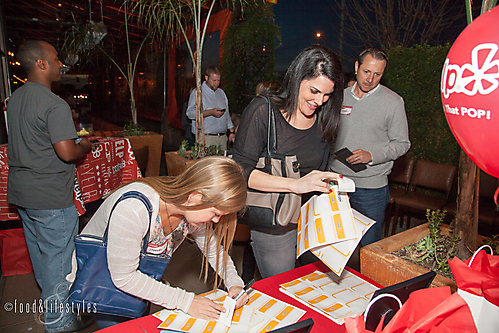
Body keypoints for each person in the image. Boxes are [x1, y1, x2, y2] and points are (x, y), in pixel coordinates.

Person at [77, 157, 249, 328]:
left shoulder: (191, 210)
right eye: (216, 213)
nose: (216, 221)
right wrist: (187, 301)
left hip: (138, 284)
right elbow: (123, 277)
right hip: (102, 285)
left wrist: (234, 282)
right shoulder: (134, 208)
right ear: (196, 196)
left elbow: (213, 250)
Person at [232, 45, 344, 279]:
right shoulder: (264, 111)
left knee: (311, 288)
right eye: (314, 91)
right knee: (283, 289)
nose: (319, 101)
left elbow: (318, 168)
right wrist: (296, 185)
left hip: (312, 221)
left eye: (327, 95)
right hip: (275, 222)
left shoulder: (324, 117)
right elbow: (240, 171)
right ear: (297, 78)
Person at [7, 40, 94, 332]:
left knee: (44, 262)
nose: (61, 65)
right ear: (41, 64)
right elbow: (67, 152)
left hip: (23, 194)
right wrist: (84, 146)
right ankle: (58, 324)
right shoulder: (54, 104)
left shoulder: (15, 99)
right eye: (56, 59)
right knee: (59, 266)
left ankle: (57, 311)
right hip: (51, 198)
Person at [328, 47, 411, 246]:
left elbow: (402, 144)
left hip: (371, 188)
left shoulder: (393, 102)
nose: (370, 79)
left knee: (369, 248)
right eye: (366, 72)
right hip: (336, 184)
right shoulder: (338, 97)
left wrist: (372, 155)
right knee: (333, 246)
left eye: (377, 74)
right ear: (356, 67)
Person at [186, 66, 235, 151]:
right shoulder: (198, 92)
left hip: (222, 138)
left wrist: (231, 131)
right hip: (207, 138)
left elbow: (226, 113)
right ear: (206, 78)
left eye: (218, 80)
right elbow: (190, 113)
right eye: (214, 80)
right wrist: (210, 112)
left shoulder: (221, 93)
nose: (216, 83)